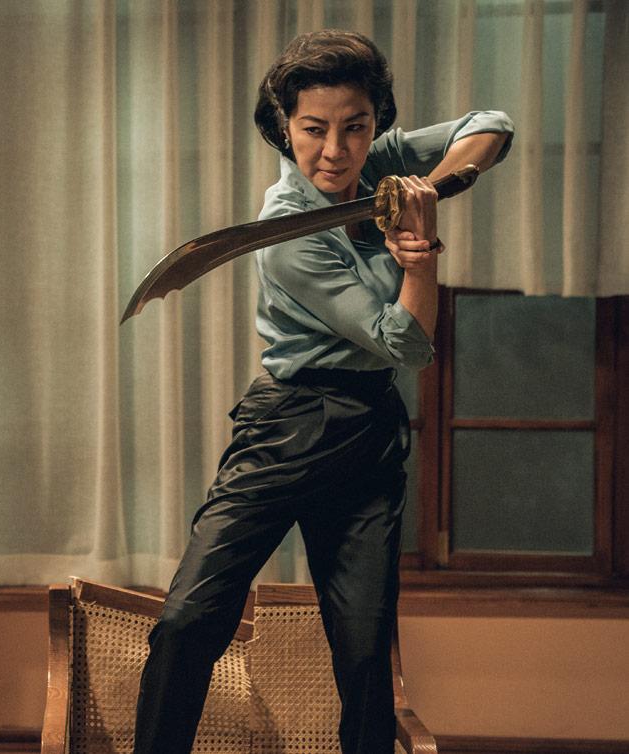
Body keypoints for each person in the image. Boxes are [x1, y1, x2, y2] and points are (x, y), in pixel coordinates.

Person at [132, 30, 512, 754]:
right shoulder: (284, 228)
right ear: (285, 125)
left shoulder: (385, 163)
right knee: (188, 620)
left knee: (366, 652)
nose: (336, 151)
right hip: (288, 425)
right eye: (314, 130)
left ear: (376, 123)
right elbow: (406, 342)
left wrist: (435, 186)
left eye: (355, 127)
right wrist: (420, 256)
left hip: (369, 432)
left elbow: (491, 124)